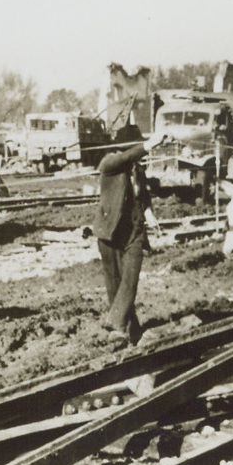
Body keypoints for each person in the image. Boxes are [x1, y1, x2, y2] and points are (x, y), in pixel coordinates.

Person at [92, 123, 166, 344]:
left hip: (134, 233)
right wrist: (149, 144)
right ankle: (130, 330)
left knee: (130, 279)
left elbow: (142, 196)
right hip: (110, 233)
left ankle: (116, 324)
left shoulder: (137, 169)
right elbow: (126, 158)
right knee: (115, 285)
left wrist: (149, 212)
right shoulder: (109, 163)